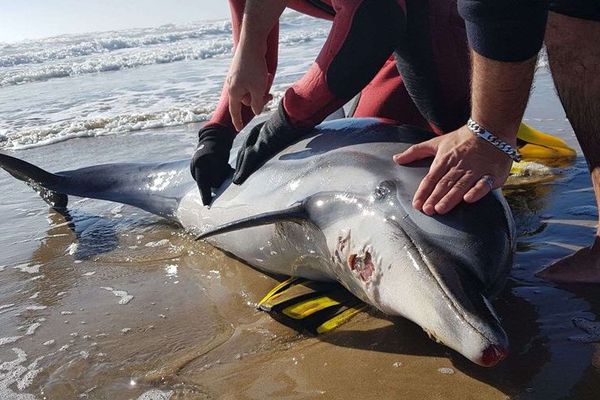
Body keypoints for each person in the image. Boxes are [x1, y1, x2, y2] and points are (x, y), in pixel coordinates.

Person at [190, 0, 471, 204]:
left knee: (453, 149)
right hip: (391, 34)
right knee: (369, 161)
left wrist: (283, 124)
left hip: (451, 18)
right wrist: (217, 132)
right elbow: (250, 65)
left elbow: (375, 16)